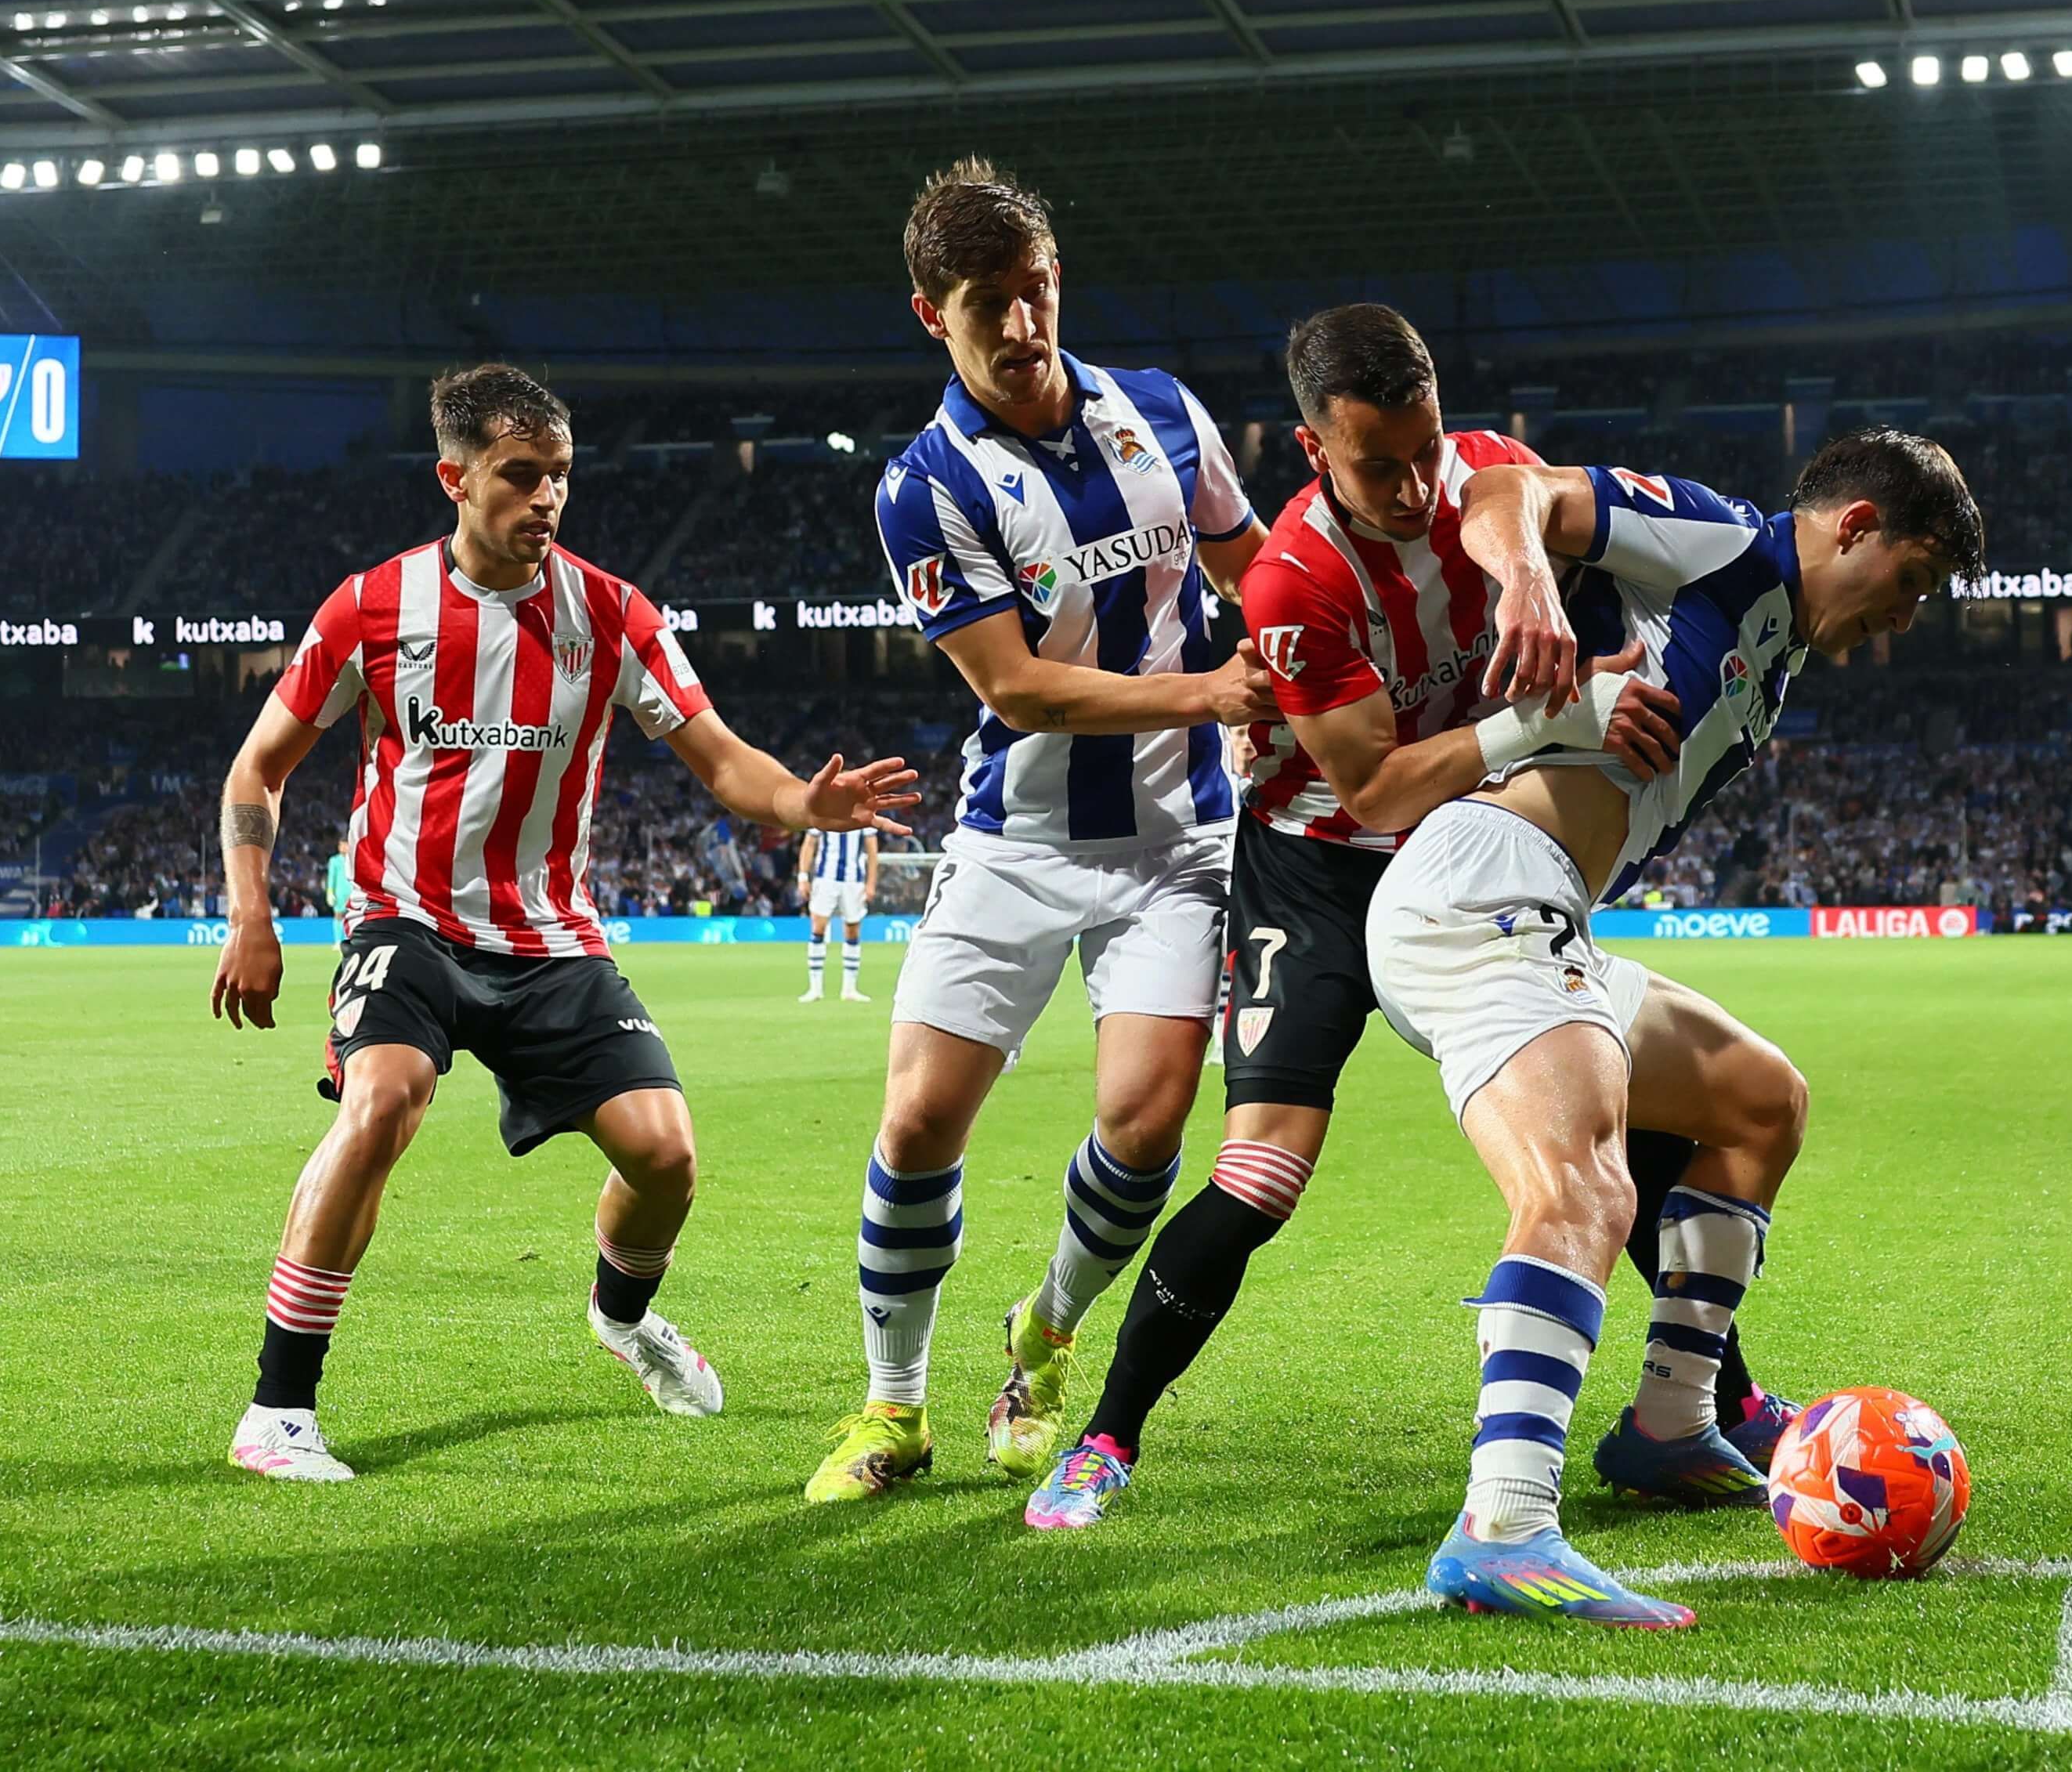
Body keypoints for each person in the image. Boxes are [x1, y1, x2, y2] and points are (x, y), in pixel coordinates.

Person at [1025, 306, 1761, 1532]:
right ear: (1314, 450)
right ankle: (1107, 1434)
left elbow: (1534, 512)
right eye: (1382, 466)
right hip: (1319, 869)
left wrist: (1545, 598)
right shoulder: (1293, 580)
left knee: (1609, 1123)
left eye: (1428, 449)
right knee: (1261, 1173)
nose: (1418, 487)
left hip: (1474, 856)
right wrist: (1560, 714)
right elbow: (1373, 789)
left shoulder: (1484, 480)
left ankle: (1712, 1404)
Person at [205, 363, 920, 1484]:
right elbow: (259, 766)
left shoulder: (614, 614)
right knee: (383, 1101)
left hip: (550, 940)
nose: (546, 497)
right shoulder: (372, 607)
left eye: (561, 475)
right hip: (407, 922)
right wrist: (251, 916)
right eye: (520, 474)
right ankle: (277, 1410)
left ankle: (623, 1318)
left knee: (666, 1156)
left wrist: (800, 802)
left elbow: (722, 760)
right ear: (454, 478)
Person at [1366, 429, 1979, 1628]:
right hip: (1480, 892)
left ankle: (1669, 1424)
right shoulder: (1723, 541)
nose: (1904, 619)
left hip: (1552, 917)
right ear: (1854, 527)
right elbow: (1504, 488)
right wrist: (1532, 588)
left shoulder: (1776, 655)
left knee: (1760, 1100)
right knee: (1584, 1192)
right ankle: (1503, 1527)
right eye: (1909, 581)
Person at [808, 158, 1278, 1503]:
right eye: (987, 305)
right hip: (1016, 839)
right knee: (918, 1120)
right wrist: (1211, 691)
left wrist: (1290, 669)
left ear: (1058, 279)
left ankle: (1047, 1335)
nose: (1022, 325)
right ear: (932, 315)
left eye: (1037, 291)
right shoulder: (923, 486)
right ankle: (892, 1408)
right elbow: (1015, 686)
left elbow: (1254, 566)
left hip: (1182, 836)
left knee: (1147, 1122)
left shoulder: (1165, 413)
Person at [797, 823, 880, 1003]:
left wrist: (871, 883)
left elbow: (872, 851)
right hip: (825, 879)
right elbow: (809, 843)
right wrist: (803, 877)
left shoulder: (863, 811)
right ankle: (815, 989)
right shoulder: (824, 810)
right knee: (818, 928)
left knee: (852, 930)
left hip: (854, 880)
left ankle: (849, 989)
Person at [324, 829, 355, 944]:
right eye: (341, 845)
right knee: (338, 915)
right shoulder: (334, 860)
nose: (342, 847)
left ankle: (351, 939)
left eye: (345, 845)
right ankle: (337, 940)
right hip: (339, 892)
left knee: (352, 916)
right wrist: (330, 891)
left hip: (352, 890)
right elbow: (331, 877)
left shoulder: (353, 859)